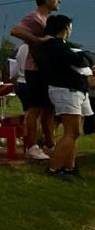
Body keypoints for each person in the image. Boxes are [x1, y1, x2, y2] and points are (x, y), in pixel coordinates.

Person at [33, 14, 94, 179]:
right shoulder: (55, 46)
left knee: (75, 132)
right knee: (71, 132)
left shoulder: (63, 45)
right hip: (66, 91)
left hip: (77, 89)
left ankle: (69, 167)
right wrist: (85, 58)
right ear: (65, 27)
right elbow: (81, 60)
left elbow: (86, 57)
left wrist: (85, 57)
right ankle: (54, 168)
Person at [10, 0, 60, 160]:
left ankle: (49, 144)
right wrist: (38, 41)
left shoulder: (48, 19)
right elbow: (15, 30)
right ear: (46, 0)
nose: (59, 0)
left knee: (48, 110)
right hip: (34, 70)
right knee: (35, 109)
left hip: (46, 70)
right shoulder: (34, 17)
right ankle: (31, 146)